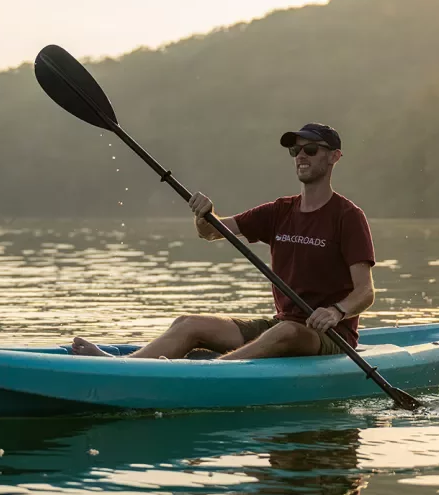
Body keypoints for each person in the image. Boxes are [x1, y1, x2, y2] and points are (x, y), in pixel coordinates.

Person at [71, 123, 376, 359]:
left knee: (286, 332)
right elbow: (213, 232)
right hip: (282, 324)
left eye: (310, 150)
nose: (300, 157)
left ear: (334, 156)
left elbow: (365, 292)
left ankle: (209, 374)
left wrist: (336, 311)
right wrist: (204, 216)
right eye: (295, 151)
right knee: (188, 323)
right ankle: (127, 366)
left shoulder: (347, 216)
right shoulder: (279, 211)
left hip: (330, 336)